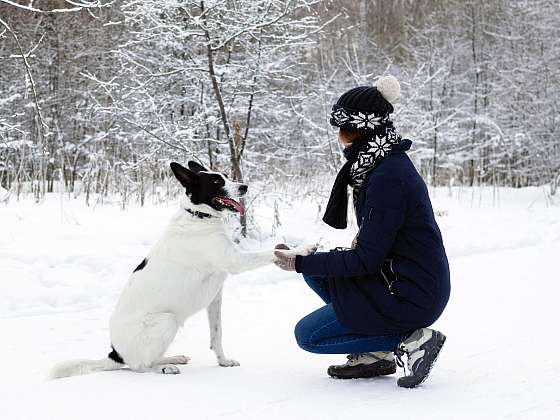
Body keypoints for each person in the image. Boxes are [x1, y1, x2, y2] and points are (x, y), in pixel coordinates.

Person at [274, 76, 450, 388]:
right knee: (317, 272)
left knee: (309, 336)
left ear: (370, 131)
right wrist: (306, 261)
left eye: (348, 130)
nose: (341, 139)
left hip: (410, 293)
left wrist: (299, 262)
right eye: (339, 130)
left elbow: (365, 260)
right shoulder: (378, 166)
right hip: (396, 278)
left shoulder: (388, 178)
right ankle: (374, 353)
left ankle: (410, 338)